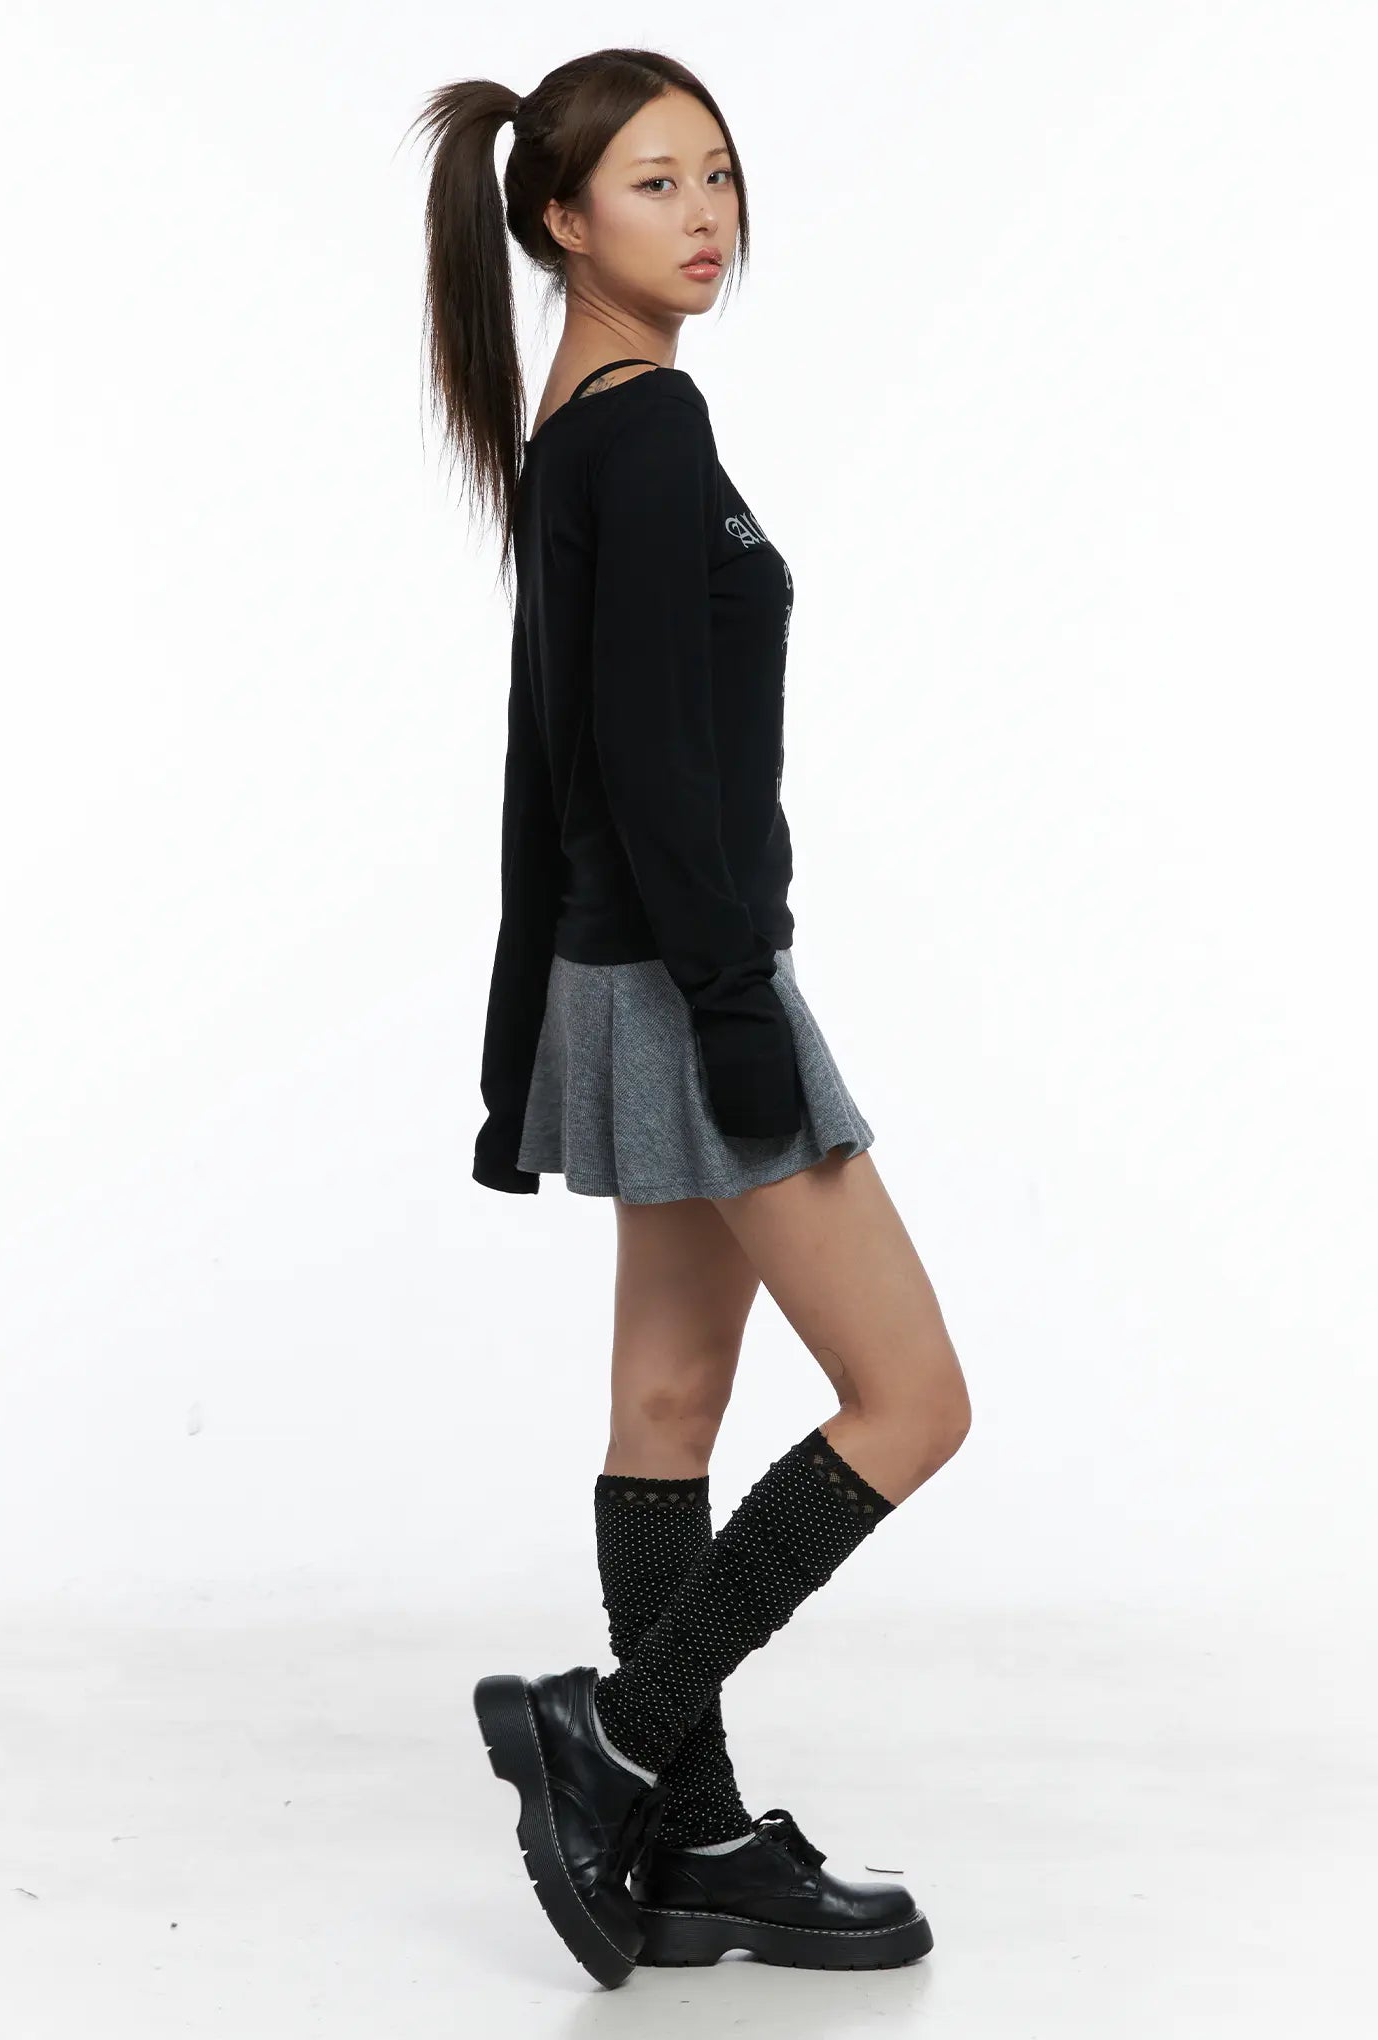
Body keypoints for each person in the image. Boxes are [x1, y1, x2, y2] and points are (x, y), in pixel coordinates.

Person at [407, 47, 970, 1988]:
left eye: (718, 174)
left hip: (612, 977)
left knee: (667, 1408)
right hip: (690, 979)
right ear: (562, 221)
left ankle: (695, 1847)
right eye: (656, 184)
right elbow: (641, 764)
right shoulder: (646, 431)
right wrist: (736, 1007)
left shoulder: (575, 428)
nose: (707, 215)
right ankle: (623, 1738)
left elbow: (544, 764)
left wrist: (521, 1045)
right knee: (914, 1403)